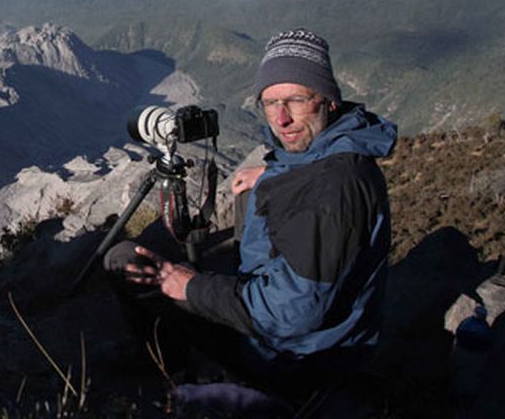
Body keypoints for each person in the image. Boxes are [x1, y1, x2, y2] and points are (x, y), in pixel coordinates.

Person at [104, 28, 397, 397]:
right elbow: (313, 180)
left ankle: (175, 373)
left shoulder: (332, 189)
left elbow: (292, 314)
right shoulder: (337, 152)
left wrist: (185, 285)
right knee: (249, 200)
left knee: (124, 259)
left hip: (289, 358)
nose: (282, 119)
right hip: (310, 334)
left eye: (296, 100)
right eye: (270, 103)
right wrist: (273, 174)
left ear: (328, 100)